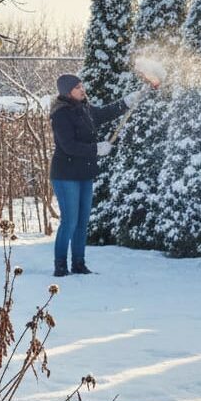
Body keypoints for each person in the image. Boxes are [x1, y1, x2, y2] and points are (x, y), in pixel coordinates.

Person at [49, 73, 150, 277]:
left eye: (82, 85)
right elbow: (68, 146)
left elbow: (104, 113)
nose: (82, 89)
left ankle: (79, 263)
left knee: (82, 221)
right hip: (65, 174)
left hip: (85, 173)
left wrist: (126, 102)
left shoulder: (85, 108)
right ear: (67, 92)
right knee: (70, 221)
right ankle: (60, 265)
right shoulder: (60, 115)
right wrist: (96, 149)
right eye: (78, 87)